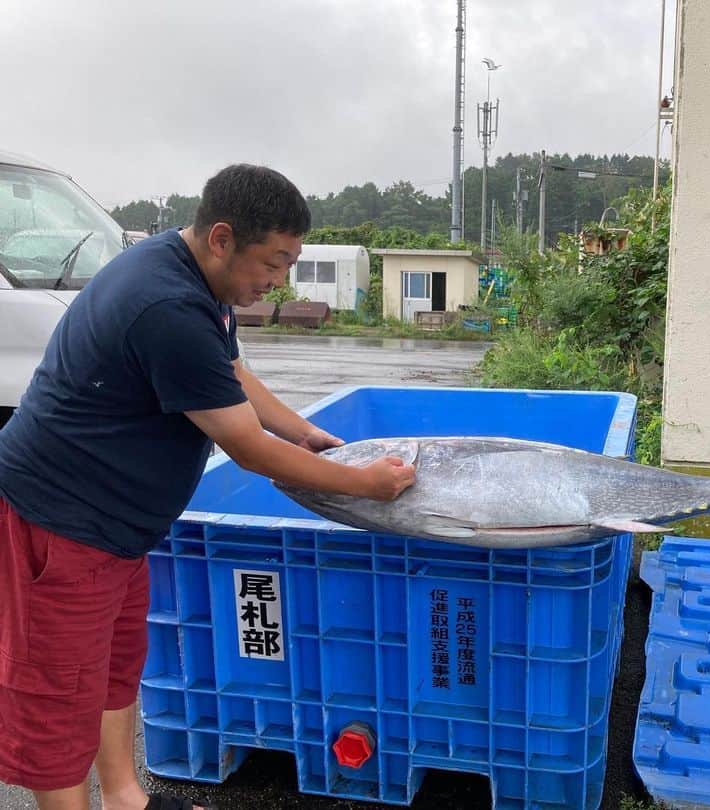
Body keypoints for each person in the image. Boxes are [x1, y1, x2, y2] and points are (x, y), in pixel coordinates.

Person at [0, 165, 416, 810]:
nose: (277, 282)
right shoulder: (166, 304)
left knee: (113, 669)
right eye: (273, 264)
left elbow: (231, 374)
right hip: (62, 524)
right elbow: (247, 449)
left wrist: (306, 433)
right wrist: (365, 484)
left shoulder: (190, 273)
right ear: (223, 237)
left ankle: (125, 798)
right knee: (61, 694)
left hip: (117, 528)